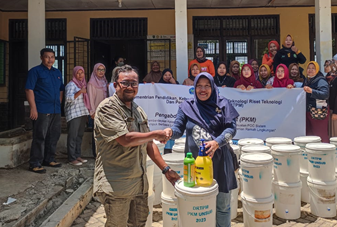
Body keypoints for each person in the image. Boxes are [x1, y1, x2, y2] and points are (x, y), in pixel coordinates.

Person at [94, 65, 180, 226]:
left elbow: (148, 144)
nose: (130, 87)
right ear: (115, 85)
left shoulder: (137, 110)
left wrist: (166, 170)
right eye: (125, 83)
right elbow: (125, 139)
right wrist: (155, 134)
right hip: (117, 185)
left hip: (139, 184)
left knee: (138, 223)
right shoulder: (107, 108)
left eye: (134, 83)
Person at [164, 72, 239, 227]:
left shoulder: (223, 104)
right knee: (197, 206)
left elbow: (231, 129)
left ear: (212, 87)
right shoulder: (187, 106)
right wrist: (169, 133)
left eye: (206, 86)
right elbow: (178, 129)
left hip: (220, 163)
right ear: (194, 87)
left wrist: (217, 142)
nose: (202, 89)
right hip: (196, 166)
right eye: (199, 86)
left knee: (222, 207)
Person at [25, 48, 64, 173]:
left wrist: (59, 102)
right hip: (41, 109)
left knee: (53, 135)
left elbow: (61, 89)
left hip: (55, 109)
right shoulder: (35, 71)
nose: (50, 59)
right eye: (47, 57)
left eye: (52, 57)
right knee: (40, 136)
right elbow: (29, 90)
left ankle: (49, 159)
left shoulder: (57, 72)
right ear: (41, 57)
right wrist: (33, 108)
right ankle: (35, 163)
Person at [65, 66, 90, 166]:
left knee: (79, 136)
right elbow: (68, 99)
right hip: (74, 114)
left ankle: (77, 155)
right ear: (74, 74)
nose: (80, 75)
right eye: (78, 73)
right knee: (73, 136)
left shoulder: (83, 84)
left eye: (82, 73)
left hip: (82, 113)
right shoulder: (71, 85)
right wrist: (80, 92)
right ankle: (71, 158)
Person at [303, 61, 330, 143]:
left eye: (313, 68)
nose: (310, 70)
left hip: (318, 112)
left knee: (320, 136)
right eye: (309, 68)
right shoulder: (307, 80)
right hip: (309, 112)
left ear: (317, 70)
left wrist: (312, 91)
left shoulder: (320, 81)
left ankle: (324, 153)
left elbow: (325, 94)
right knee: (310, 136)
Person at [88, 63, 109, 157]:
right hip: (96, 112)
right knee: (96, 134)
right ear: (95, 71)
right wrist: (92, 111)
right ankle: (96, 154)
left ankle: (103, 153)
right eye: (99, 70)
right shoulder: (91, 83)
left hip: (105, 112)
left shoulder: (104, 81)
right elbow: (90, 98)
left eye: (103, 70)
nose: (101, 72)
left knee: (104, 132)